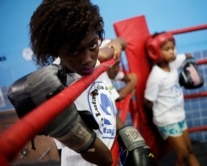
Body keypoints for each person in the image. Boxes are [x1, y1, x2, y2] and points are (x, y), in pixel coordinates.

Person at [26, 0, 155, 165]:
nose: (87, 59)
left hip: (112, 153)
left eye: (92, 45)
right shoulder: (55, 86)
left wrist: (115, 45)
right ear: (55, 49)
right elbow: (103, 158)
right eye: (74, 51)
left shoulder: (96, 60)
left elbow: (120, 42)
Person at [144, 32, 200, 166]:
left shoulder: (173, 63)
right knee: (183, 155)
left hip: (179, 115)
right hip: (167, 119)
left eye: (173, 48)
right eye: (167, 49)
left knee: (189, 151)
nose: (172, 52)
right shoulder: (156, 76)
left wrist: (189, 57)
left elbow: (183, 57)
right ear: (156, 52)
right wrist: (160, 113)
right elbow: (147, 102)